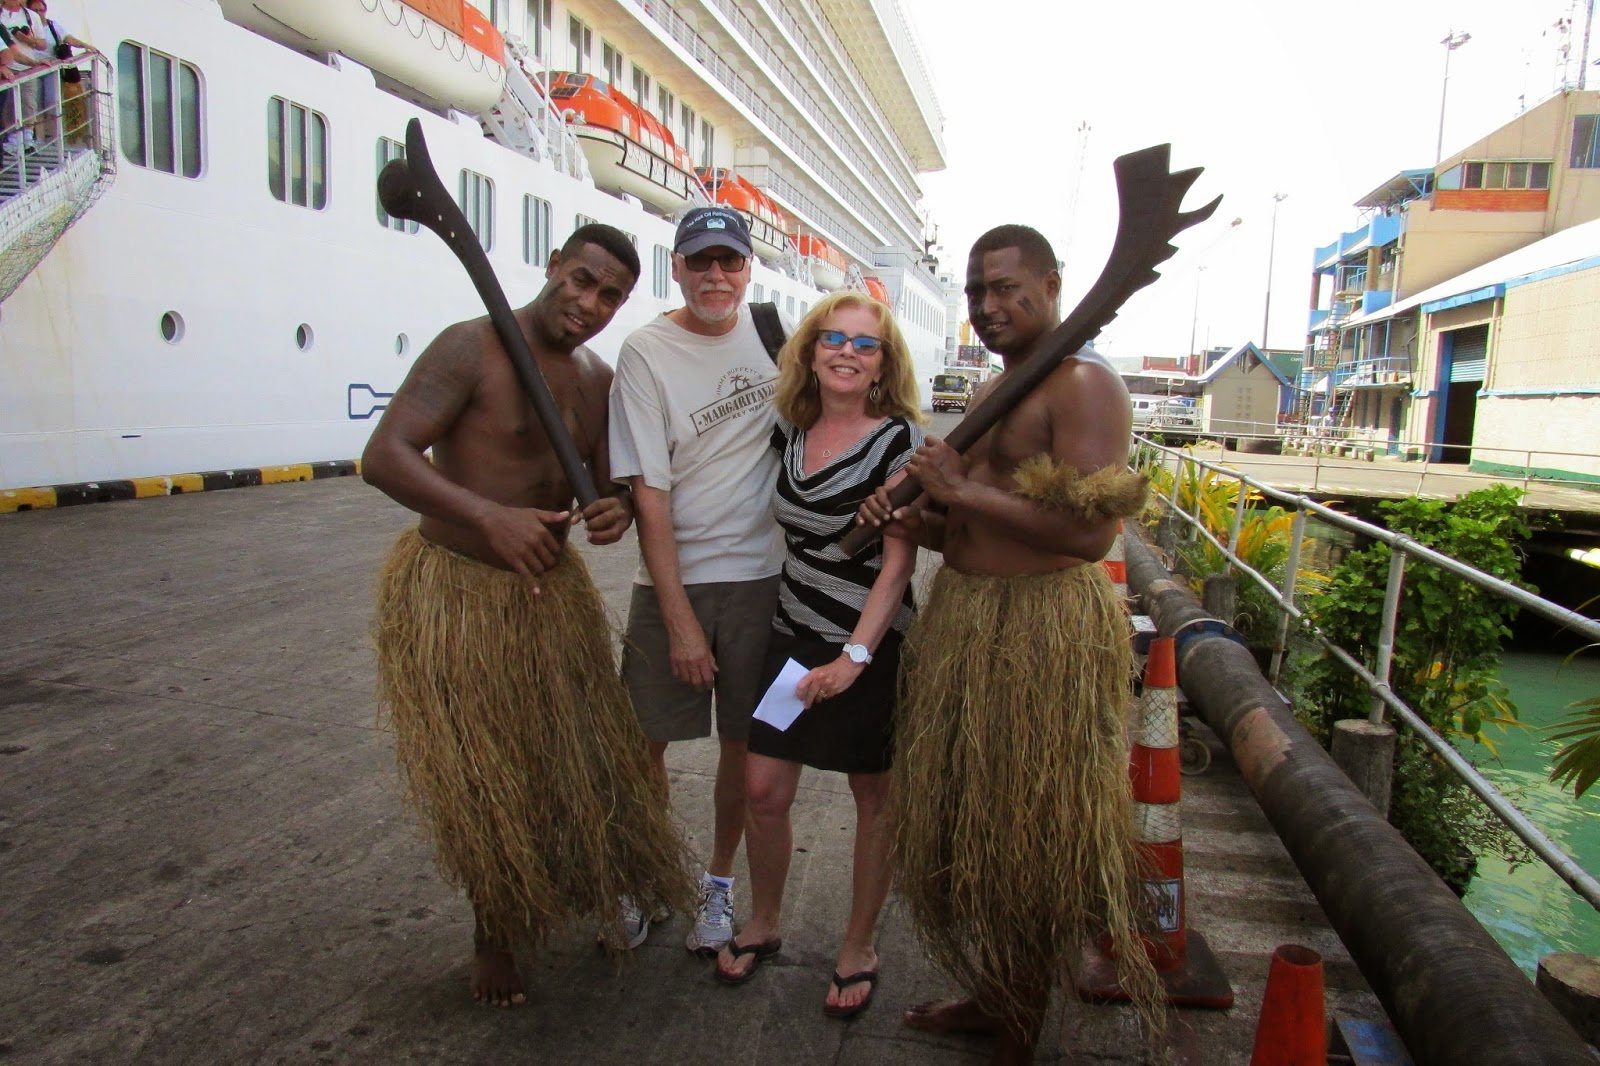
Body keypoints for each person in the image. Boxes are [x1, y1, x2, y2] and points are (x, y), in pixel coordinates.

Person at [362, 223, 692, 1008]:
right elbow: (385, 456)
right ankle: (494, 931)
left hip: (551, 597)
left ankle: (590, 889)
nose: (589, 303)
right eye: (581, 280)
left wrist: (610, 510)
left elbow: (609, 486)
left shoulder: (598, 378)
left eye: (610, 294)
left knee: (575, 760)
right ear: (552, 267)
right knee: (486, 773)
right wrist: (486, 515)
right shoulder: (469, 347)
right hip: (460, 588)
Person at [858, 224, 1162, 1062]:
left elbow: (1088, 538)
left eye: (1005, 288)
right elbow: (970, 518)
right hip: (967, 620)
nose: (987, 307)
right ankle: (997, 993)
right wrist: (922, 518)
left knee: (1030, 828)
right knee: (976, 822)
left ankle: (1019, 1015)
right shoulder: (1008, 383)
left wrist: (959, 490)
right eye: (974, 292)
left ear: (1053, 284)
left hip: (1038, 631)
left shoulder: (1086, 386)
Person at [711, 292, 925, 1020]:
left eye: (865, 344)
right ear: (809, 351)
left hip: (871, 642)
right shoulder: (792, 434)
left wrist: (855, 658)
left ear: (883, 364)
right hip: (794, 635)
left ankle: (858, 945)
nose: (846, 351)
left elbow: (898, 566)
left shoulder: (899, 443)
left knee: (874, 799)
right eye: (832, 338)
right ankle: (765, 920)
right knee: (763, 789)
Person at [608, 206, 785, 955]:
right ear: (675, 267)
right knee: (638, 745)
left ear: (748, 270)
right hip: (674, 580)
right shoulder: (645, 351)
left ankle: (718, 885)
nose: (717, 276)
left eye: (731, 262)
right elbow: (650, 489)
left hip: (764, 581)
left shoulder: (779, 338)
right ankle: (641, 880)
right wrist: (678, 619)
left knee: (743, 752)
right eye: (701, 261)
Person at [25, 0, 95, 147]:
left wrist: (84, 45)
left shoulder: (52, 26)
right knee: (34, 105)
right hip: (30, 69)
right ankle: (37, 139)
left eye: (41, 10)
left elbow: (68, 38)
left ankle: (55, 139)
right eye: (35, 11)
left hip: (51, 68)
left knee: (52, 102)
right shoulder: (25, 28)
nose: (38, 13)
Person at [0, 0, 49, 149]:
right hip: (7, 69)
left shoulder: (31, 16)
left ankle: (26, 139)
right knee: (8, 105)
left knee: (28, 101)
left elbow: (42, 44)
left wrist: (27, 40)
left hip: (24, 66)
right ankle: (13, 140)